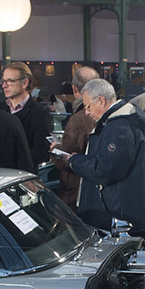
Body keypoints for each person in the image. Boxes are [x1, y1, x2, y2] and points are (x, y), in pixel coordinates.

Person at [54, 77, 145, 233]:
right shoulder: (122, 123)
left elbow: (105, 169)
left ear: (101, 100)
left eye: (87, 106)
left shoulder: (118, 127)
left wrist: (74, 160)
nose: (86, 112)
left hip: (118, 216)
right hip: (124, 212)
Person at [55, 61, 101, 207]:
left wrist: (55, 149)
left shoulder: (78, 120)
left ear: (74, 88)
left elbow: (69, 158)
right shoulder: (105, 113)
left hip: (76, 196)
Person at [1, 61, 52, 168]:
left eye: (10, 81)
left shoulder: (39, 113)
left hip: (23, 176)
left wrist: (13, 160)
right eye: (3, 81)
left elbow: (42, 152)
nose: (4, 86)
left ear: (24, 83)